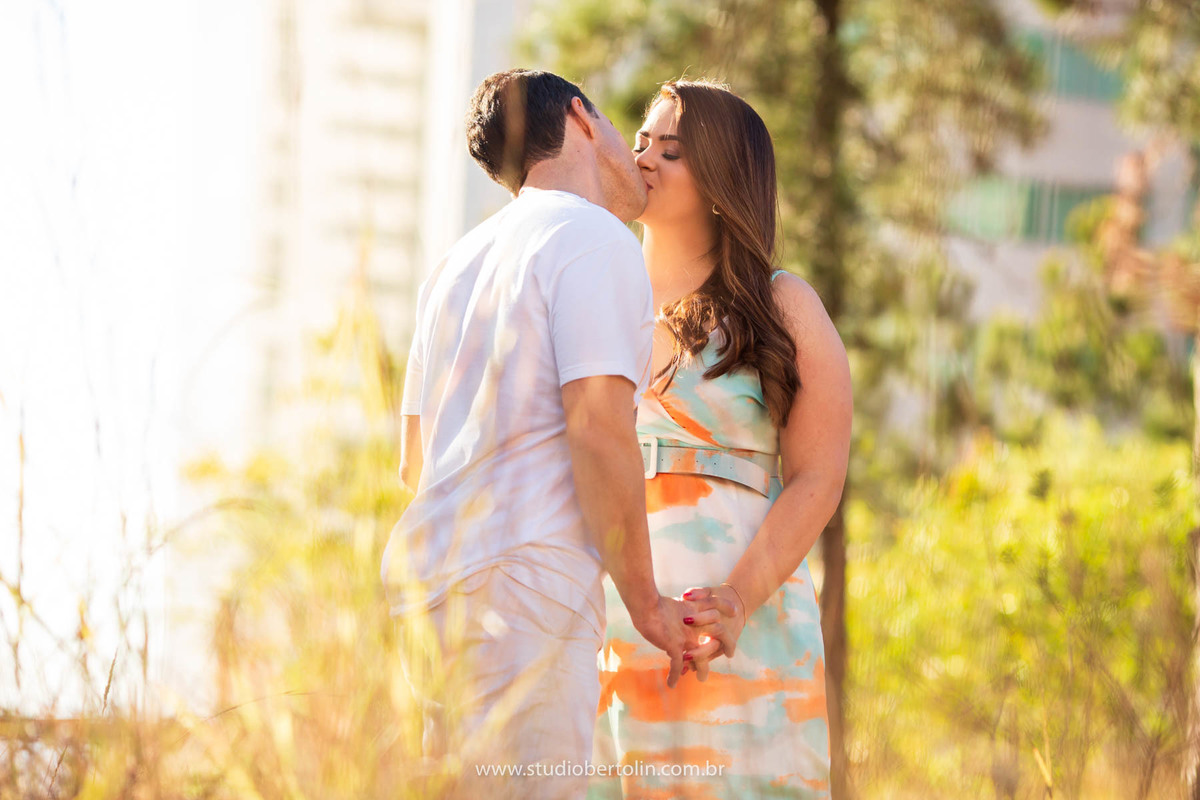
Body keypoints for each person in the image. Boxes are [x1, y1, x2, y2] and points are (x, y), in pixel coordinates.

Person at [382, 69, 721, 799]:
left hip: (426, 601)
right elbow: (599, 431)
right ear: (581, 118)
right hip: (526, 594)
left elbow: (413, 462)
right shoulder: (592, 235)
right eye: (624, 134)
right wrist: (644, 603)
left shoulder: (452, 265)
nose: (638, 160)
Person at [590, 80, 853, 799]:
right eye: (641, 139)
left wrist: (736, 600)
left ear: (721, 182)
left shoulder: (782, 305)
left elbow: (817, 478)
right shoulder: (592, 297)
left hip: (742, 625)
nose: (644, 157)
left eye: (670, 149)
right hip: (608, 619)